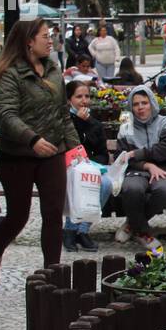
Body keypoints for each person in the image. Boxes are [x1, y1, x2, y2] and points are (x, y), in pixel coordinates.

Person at [0, 18, 82, 290]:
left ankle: (52, 274)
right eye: (44, 36)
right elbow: (6, 115)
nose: (50, 40)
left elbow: (63, 113)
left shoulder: (53, 69)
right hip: (17, 156)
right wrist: (32, 139)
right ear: (28, 41)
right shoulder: (9, 73)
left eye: (50, 36)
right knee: (18, 216)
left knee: (52, 214)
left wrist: (76, 148)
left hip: (52, 154)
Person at [115, 86, 166, 254]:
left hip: (165, 169)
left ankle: (131, 224)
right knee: (132, 188)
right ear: (131, 107)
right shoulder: (126, 127)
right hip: (137, 170)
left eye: (144, 103)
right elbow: (122, 158)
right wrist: (147, 165)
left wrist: (138, 153)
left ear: (151, 103)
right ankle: (143, 232)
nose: (140, 107)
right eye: (136, 104)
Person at [62, 79, 109, 253]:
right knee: (76, 182)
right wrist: (80, 122)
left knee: (106, 184)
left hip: (92, 167)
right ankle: (69, 230)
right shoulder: (65, 121)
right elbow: (72, 144)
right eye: (78, 96)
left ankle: (82, 231)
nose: (84, 100)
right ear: (69, 100)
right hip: (70, 166)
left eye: (87, 96)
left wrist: (96, 165)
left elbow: (103, 152)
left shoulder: (95, 123)